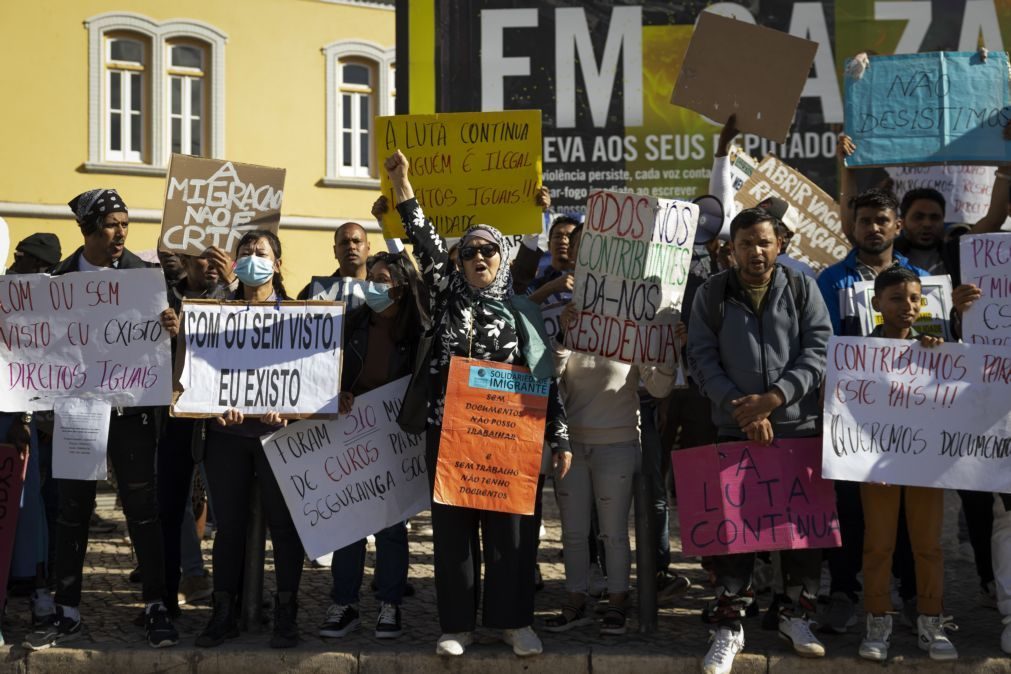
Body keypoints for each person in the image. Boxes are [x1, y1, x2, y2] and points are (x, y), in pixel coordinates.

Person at [381, 150, 572, 658]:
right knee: (454, 534)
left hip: (512, 437)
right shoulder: (446, 295)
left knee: (512, 532)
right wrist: (403, 184)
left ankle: (513, 623)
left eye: (489, 250)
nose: (479, 258)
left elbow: (545, 375)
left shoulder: (522, 308)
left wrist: (561, 436)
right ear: (459, 261)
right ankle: (458, 626)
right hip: (451, 437)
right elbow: (422, 239)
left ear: (503, 257)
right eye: (469, 252)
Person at [24, 189, 180, 650]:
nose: (121, 233)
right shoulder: (59, 278)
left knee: (142, 508)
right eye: (112, 224)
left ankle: (156, 605)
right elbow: (42, 345)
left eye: (126, 224)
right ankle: (67, 607)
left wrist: (175, 327)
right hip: (79, 410)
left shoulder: (145, 277)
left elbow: (172, 342)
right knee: (72, 510)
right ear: (89, 228)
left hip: (132, 412)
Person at [687, 208, 832, 674]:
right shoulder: (712, 294)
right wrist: (741, 409)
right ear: (732, 248)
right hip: (734, 427)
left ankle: (796, 615)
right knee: (735, 535)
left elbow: (818, 350)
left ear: (780, 244)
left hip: (797, 427)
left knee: (802, 537)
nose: (756, 252)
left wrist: (774, 399)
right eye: (746, 243)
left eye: (764, 242)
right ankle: (729, 626)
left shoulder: (802, 287)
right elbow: (701, 358)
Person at [194, 230, 306, 649]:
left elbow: (309, 378)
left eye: (261, 253)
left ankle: (286, 612)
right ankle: (224, 611)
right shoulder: (215, 314)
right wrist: (215, 403)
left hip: (278, 438)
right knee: (231, 528)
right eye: (245, 253)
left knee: (285, 526)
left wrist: (290, 408)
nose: (252, 259)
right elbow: (201, 370)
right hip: (228, 436)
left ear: (277, 265)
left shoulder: (301, 317)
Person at [544, 304, 676, 635]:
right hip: (572, 445)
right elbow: (548, 372)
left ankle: (618, 600)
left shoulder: (633, 328)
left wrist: (670, 352)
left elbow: (658, 388)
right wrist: (563, 334)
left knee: (613, 532)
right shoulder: (571, 320)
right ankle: (575, 600)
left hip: (618, 444)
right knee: (573, 532)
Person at [318, 251, 426, 640]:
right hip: (352, 435)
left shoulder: (418, 334)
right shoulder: (354, 323)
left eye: (382, 280)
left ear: (400, 287)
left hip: (395, 438)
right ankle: (344, 604)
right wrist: (340, 393)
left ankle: (389, 604)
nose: (373, 287)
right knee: (350, 525)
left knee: (391, 527)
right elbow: (328, 369)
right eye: (371, 279)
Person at [856, 267, 956, 662]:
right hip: (875, 467)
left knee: (928, 546)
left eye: (915, 299)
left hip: (925, 466)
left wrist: (938, 356)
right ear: (877, 304)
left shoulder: (936, 349)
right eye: (897, 298)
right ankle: (877, 619)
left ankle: (931, 620)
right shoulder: (858, 352)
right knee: (878, 545)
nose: (908, 306)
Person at [160, 247, 235, 612]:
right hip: (174, 416)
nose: (212, 263)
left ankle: (232, 593)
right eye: (205, 256)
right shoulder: (161, 294)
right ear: (185, 260)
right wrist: (169, 335)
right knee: (173, 504)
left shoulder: (234, 292)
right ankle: (184, 580)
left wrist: (234, 283)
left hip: (220, 417)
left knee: (228, 505)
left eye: (219, 255)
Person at [296, 221, 371, 305]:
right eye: (344, 242)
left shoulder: (381, 289)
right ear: (335, 251)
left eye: (356, 241)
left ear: (368, 248)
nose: (351, 246)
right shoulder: (312, 293)